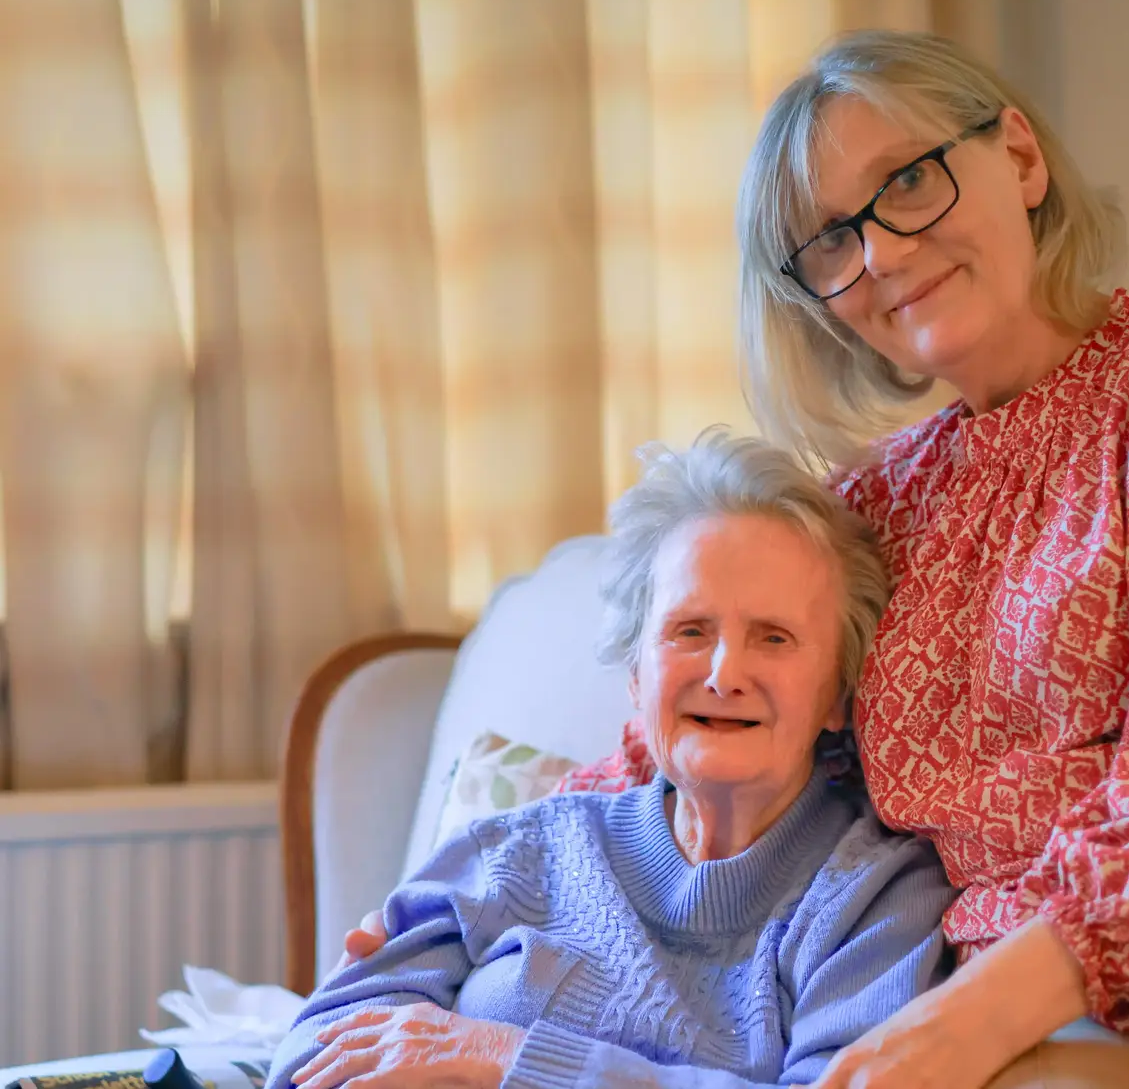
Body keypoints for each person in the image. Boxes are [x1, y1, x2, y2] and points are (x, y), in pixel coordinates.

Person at [342, 30, 1129, 1088]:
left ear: (1020, 159)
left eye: (906, 182)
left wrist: (973, 1015)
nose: (878, 252)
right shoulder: (874, 507)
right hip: (1068, 1028)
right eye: (829, 240)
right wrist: (458, 901)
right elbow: (687, 733)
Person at [267, 432, 957, 1089]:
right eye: (690, 630)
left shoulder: (874, 899)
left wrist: (507, 1060)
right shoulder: (522, 848)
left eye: (774, 638)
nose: (724, 674)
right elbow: (315, 1050)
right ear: (636, 674)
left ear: (837, 694)